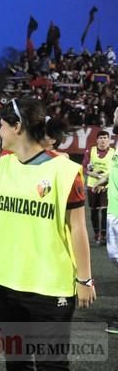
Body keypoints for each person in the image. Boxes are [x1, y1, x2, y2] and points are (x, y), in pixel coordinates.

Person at [0, 98, 96, 369]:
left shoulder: (65, 171)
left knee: (52, 366)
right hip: (6, 284)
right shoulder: (2, 167)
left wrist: (85, 279)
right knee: (16, 363)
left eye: (1, 126)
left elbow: (78, 228)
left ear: (18, 126)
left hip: (51, 287)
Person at [92, 107, 118, 334]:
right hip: (113, 211)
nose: (115, 116)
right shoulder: (117, 145)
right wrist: (101, 179)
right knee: (113, 256)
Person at [82, 130, 114, 245]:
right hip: (92, 186)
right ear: (97, 140)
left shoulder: (114, 153)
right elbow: (84, 167)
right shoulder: (91, 151)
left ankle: (104, 236)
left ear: (109, 140)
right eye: (100, 138)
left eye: (105, 138)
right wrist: (93, 174)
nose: (103, 140)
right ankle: (96, 234)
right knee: (94, 211)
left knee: (105, 211)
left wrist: (105, 181)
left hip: (107, 186)